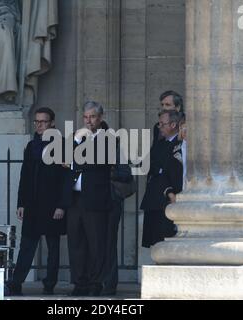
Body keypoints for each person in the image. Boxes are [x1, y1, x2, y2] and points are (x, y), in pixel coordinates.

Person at [7, 107, 68, 296]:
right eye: (37, 121)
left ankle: (50, 284)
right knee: (26, 246)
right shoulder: (31, 145)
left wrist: (61, 205)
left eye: (43, 121)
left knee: (53, 247)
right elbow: (24, 176)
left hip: (52, 205)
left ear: (52, 123)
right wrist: (21, 203)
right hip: (33, 204)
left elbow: (66, 178)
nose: (39, 125)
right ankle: (16, 283)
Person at [66, 101, 114, 296]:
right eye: (85, 117)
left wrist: (73, 161)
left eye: (92, 117)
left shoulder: (108, 138)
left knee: (96, 244)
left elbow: (94, 162)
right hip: (75, 199)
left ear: (100, 118)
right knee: (76, 243)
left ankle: (96, 282)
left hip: (94, 199)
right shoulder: (78, 138)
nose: (88, 121)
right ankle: (80, 282)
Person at [141, 110, 184, 248]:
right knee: (156, 242)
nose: (159, 127)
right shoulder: (159, 144)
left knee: (169, 241)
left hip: (172, 198)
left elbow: (167, 170)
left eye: (162, 124)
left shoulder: (180, 144)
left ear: (173, 125)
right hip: (155, 199)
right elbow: (150, 166)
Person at [100, 121, 133, 296]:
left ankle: (109, 283)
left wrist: (107, 171)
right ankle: (97, 281)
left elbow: (125, 173)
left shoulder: (115, 151)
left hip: (111, 201)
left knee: (109, 243)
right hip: (94, 203)